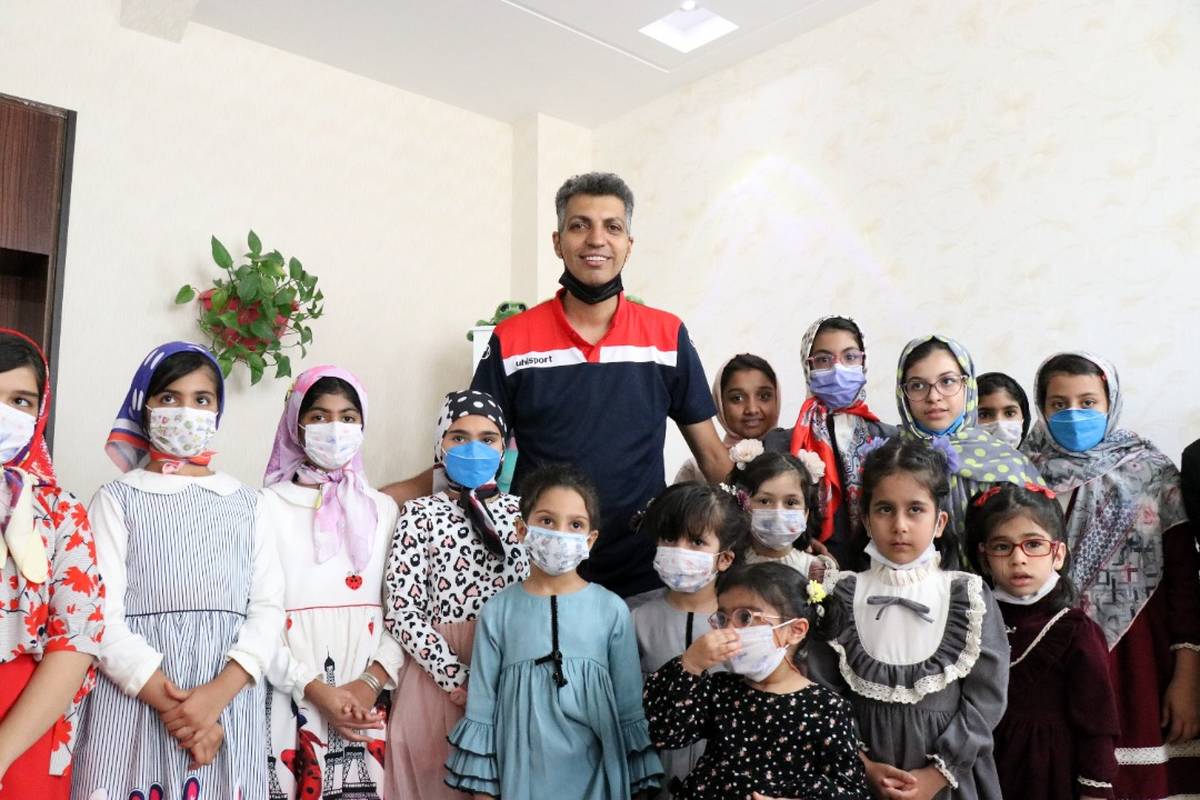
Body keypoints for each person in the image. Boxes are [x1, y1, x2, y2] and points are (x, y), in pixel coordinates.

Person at [384, 172, 730, 598]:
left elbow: (712, 455)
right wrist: (379, 501)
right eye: (580, 225)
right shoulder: (512, 339)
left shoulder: (666, 336)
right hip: (538, 572)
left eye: (612, 227)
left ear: (628, 244)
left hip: (643, 575)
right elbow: (470, 450)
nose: (596, 239)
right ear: (557, 241)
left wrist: (759, 530)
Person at [70, 342, 284, 798]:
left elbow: (268, 609)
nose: (186, 411)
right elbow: (100, 617)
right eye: (169, 397)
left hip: (228, 703)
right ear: (144, 407)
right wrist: (180, 709)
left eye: (201, 400)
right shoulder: (116, 500)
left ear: (218, 410)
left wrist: (215, 697)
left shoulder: (249, 504)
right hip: (135, 698)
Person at [1023, 351, 1200, 799]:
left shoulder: (1152, 471)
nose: (1073, 414)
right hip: (1053, 658)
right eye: (1059, 404)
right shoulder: (1022, 474)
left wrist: (1188, 676)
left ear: (1111, 403)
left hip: (1139, 661)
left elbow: (1184, 578)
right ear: (1041, 407)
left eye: (1088, 402)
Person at [444, 464, 662, 798]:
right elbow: (482, 711)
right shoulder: (498, 611)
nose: (561, 533)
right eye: (547, 520)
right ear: (521, 529)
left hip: (599, 781)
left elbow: (629, 709)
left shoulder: (612, 610)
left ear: (590, 540)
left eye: (575, 524)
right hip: (523, 778)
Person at [814, 437, 1009, 800]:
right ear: (866, 519)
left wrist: (936, 775)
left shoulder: (968, 596)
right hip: (860, 778)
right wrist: (863, 766)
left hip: (948, 780)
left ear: (940, 521)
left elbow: (986, 699)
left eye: (915, 509)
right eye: (885, 509)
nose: (900, 525)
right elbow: (823, 694)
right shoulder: (840, 593)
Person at [261, 365, 404, 797]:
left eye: (348, 417)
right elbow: (258, 616)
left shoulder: (383, 510)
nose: (335, 428)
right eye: (319, 416)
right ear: (297, 424)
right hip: (290, 694)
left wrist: (370, 682)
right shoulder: (265, 507)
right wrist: (313, 688)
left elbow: (400, 611)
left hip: (368, 701)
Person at [383, 390, 528, 799]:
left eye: (488, 438)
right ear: (439, 444)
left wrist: (499, 679)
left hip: (509, 677)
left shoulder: (525, 513)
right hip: (435, 679)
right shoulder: (418, 514)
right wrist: (459, 678)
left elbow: (536, 594)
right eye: (459, 437)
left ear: (504, 448)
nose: (473, 448)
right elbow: (402, 610)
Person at [644, 562, 869, 799]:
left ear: (795, 630)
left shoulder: (826, 708)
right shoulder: (721, 688)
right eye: (722, 618)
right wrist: (690, 664)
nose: (730, 629)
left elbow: (851, 791)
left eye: (745, 617)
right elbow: (667, 733)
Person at [965, 482, 1118, 800]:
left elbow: (1097, 723)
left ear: (1058, 554)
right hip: (979, 767)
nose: (1018, 558)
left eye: (1033, 544)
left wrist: (1095, 789)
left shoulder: (1075, 630)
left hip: (1048, 773)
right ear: (984, 558)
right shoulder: (969, 620)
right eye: (1002, 546)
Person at [0, 329, 102, 797]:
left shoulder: (62, 512)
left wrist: (2, 752)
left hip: (28, 724)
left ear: (40, 412)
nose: (5, 412)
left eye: (20, 401)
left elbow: (75, 640)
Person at [630, 482, 747, 797]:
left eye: (696, 542)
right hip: (652, 775)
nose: (680, 550)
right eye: (670, 538)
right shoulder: (636, 618)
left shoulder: (742, 623)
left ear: (725, 558)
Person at [895, 335, 1043, 566]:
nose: (934, 396)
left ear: (968, 386)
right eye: (917, 386)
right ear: (903, 394)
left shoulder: (1008, 463)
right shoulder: (890, 459)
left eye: (947, 381)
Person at [764, 315, 894, 571]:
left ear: (863, 362)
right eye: (824, 359)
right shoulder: (782, 444)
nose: (838, 369)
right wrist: (800, 542)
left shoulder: (888, 438)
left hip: (880, 572)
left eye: (850, 357)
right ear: (807, 365)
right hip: (808, 572)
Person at [731, 451, 836, 581]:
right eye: (765, 501)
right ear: (743, 504)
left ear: (806, 513)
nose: (778, 513)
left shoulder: (817, 573)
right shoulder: (728, 565)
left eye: (791, 502)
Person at [675, 354, 780, 483]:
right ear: (719, 402)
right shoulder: (695, 470)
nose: (752, 409)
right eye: (737, 398)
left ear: (777, 398)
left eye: (764, 396)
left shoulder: (796, 458)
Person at [976, 372, 1030, 449]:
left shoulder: (1036, 456)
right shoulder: (957, 456)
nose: (999, 425)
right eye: (984, 415)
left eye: (1009, 413)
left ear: (1024, 416)